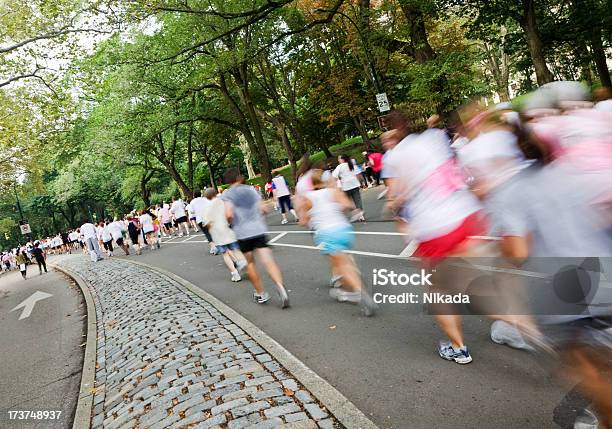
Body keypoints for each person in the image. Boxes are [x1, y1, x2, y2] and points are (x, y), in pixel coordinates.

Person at [300, 169, 377, 315]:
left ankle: (360, 294)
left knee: (341, 267)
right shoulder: (333, 192)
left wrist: (310, 216)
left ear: (311, 183)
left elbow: (304, 220)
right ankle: (354, 288)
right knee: (345, 261)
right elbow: (347, 205)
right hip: (344, 230)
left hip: (326, 233)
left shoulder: (308, 198)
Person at [222, 167, 290, 308]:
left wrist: (230, 223)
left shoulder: (228, 195)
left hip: (243, 232)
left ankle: (261, 293)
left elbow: (228, 214)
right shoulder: (250, 189)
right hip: (258, 229)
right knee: (268, 260)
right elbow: (264, 209)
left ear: (227, 181)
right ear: (238, 177)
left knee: (251, 263)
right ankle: (281, 288)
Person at [203, 188, 247, 282]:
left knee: (225, 254)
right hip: (227, 229)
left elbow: (207, 222)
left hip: (217, 233)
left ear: (207, 197)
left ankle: (235, 274)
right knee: (235, 249)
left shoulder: (208, 206)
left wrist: (211, 230)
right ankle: (242, 261)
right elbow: (231, 214)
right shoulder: (223, 201)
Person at [332, 154, 365, 222]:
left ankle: (356, 213)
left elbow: (334, 177)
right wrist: (361, 183)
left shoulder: (339, 167)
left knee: (348, 202)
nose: (338, 160)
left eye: (339, 158)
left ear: (343, 159)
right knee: (357, 200)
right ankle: (361, 215)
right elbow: (359, 175)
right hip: (355, 185)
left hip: (345, 186)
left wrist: (335, 186)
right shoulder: (352, 165)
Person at [190, 189, 217, 254]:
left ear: (194, 195)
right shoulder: (205, 199)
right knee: (212, 232)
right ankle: (217, 246)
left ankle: (213, 248)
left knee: (207, 233)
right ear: (200, 194)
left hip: (200, 220)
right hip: (209, 218)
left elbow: (191, 211)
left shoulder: (192, 202)